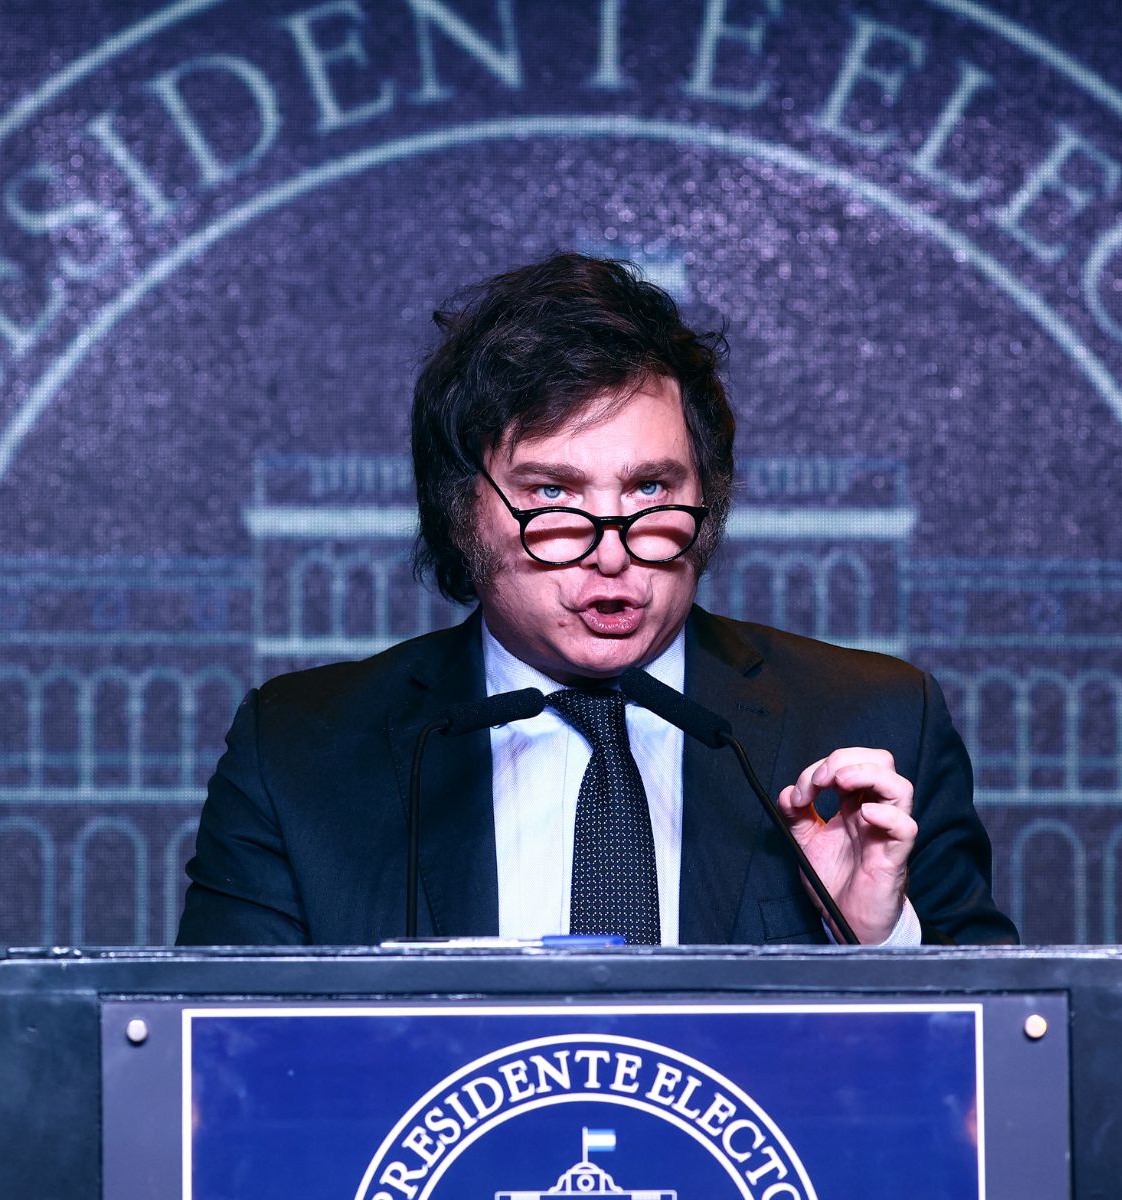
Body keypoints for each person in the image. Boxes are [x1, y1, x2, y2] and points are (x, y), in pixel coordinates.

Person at [177, 253, 1016, 947]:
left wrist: (869, 944)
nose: (612, 552)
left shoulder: (871, 726)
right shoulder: (298, 754)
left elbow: (1000, 1090)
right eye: (552, 497)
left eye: (652, 490)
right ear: (460, 510)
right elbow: (222, 1083)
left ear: (709, 500)